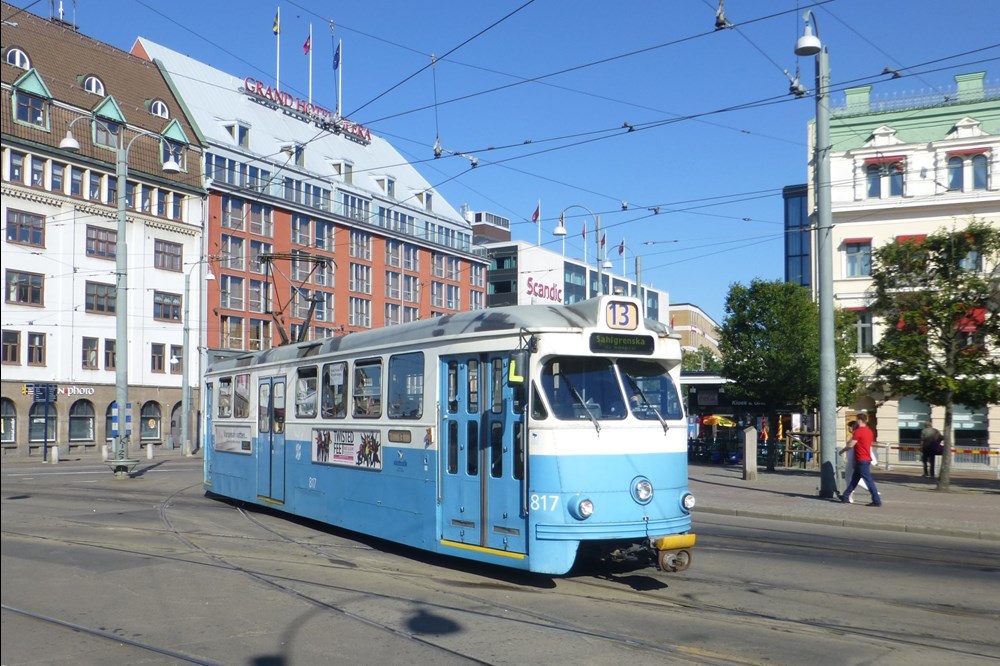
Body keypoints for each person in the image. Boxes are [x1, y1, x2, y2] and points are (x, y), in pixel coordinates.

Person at [839, 413, 882, 507]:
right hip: (864, 458)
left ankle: (877, 500)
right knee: (854, 480)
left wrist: (842, 451)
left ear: (859, 420)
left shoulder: (858, 431)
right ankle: (845, 496)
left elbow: (851, 445)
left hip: (861, 459)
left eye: (857, 420)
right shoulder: (869, 431)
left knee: (868, 480)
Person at [840, 420, 869, 502]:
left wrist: (842, 451)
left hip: (853, 459)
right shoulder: (855, 435)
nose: (849, 428)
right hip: (853, 459)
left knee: (850, 478)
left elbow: (850, 447)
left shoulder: (856, 436)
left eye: (850, 426)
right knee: (856, 478)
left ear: (853, 427)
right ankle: (873, 491)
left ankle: (850, 497)